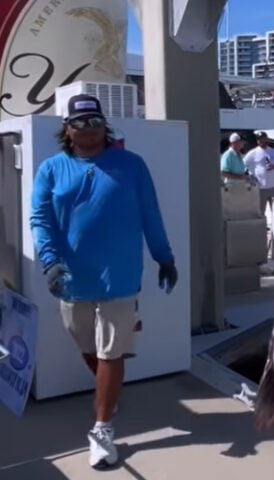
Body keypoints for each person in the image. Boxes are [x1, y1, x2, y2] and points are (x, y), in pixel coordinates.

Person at [30, 95, 178, 469]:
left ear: (104, 126)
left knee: (111, 351)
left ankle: (102, 427)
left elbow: (150, 213)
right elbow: (40, 219)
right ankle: (108, 391)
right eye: (79, 123)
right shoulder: (51, 169)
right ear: (67, 129)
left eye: (94, 121)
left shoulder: (132, 165)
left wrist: (164, 256)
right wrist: (50, 262)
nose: (88, 129)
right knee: (85, 343)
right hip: (71, 277)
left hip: (120, 277)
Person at [244, 131, 274, 215]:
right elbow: (244, 165)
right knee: (260, 212)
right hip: (260, 188)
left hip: (273, 187)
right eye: (260, 140)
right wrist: (250, 176)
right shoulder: (252, 153)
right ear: (257, 141)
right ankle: (261, 227)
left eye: (264, 139)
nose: (262, 142)